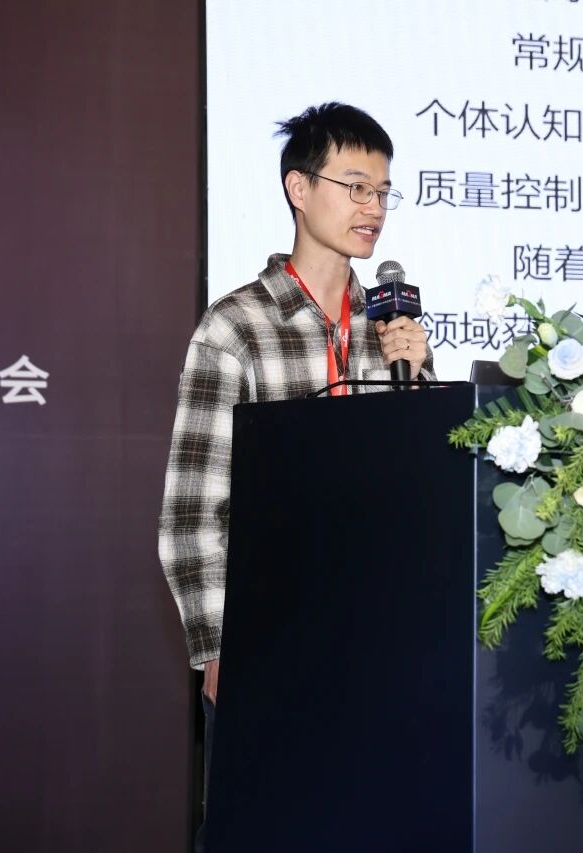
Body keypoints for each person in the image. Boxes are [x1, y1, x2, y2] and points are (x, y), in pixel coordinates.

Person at [156, 102, 432, 846]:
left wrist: (418, 378)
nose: (373, 208)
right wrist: (219, 653)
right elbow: (191, 515)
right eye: (355, 187)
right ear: (299, 189)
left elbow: (416, 499)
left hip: (382, 650)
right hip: (271, 649)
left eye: (383, 192)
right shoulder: (236, 328)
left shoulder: (392, 335)